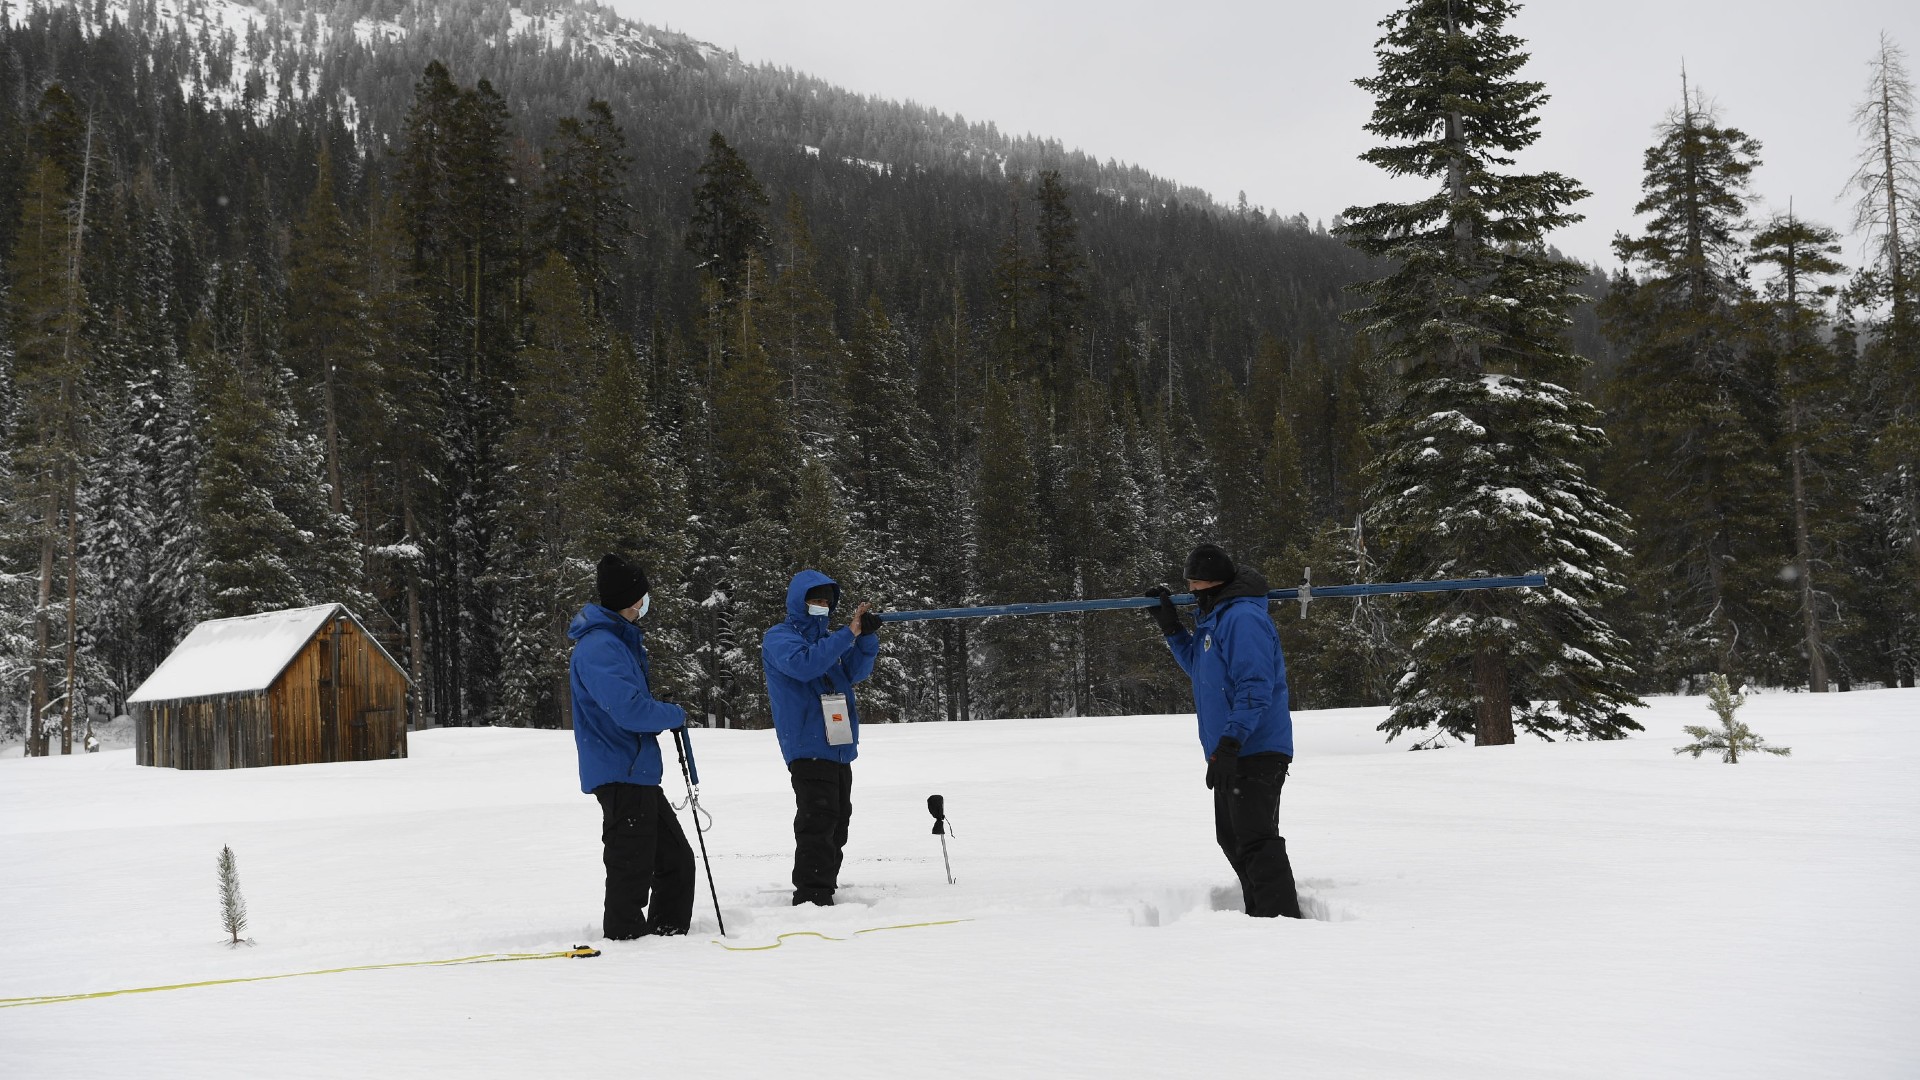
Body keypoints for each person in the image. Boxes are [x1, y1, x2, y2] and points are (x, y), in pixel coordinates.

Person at [1146, 543, 1302, 919]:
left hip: (1254, 745)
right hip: (1232, 748)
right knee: (1233, 838)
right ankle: (1261, 915)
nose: (1191, 594)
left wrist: (1231, 741)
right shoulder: (1215, 619)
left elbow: (1254, 686)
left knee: (1255, 840)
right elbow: (1202, 671)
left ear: (1214, 584)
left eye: (1195, 586)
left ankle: (1280, 922)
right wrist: (1172, 630)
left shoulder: (1242, 618)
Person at [568, 553, 695, 939]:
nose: (645, 603)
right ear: (630, 599)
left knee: (674, 860)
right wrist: (673, 714)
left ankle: (667, 935)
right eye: (641, 596)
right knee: (631, 867)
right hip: (619, 770)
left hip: (634, 770)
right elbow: (629, 711)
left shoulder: (618, 641)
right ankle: (625, 944)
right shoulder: (600, 647)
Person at [762, 569, 879, 906]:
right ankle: (813, 894)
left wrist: (866, 638)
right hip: (807, 744)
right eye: (815, 599)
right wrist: (848, 633)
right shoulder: (780, 637)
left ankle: (825, 881)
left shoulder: (830, 640)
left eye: (827, 601)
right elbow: (805, 666)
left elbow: (854, 672)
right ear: (799, 601)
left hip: (838, 745)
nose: (821, 606)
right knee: (817, 819)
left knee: (839, 819)